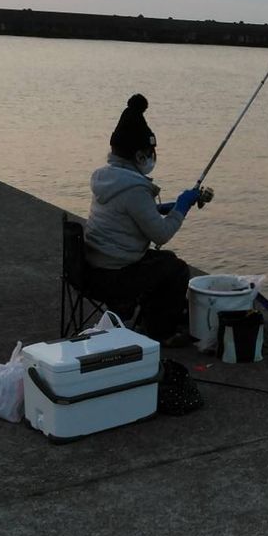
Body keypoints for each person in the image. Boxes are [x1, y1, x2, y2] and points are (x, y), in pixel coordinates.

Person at [84, 93, 204, 347]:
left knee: (165, 262)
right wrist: (181, 205)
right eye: (150, 153)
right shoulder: (134, 189)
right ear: (139, 156)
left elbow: (125, 215)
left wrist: (164, 208)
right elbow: (161, 235)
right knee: (176, 269)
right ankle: (161, 333)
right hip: (116, 273)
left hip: (93, 265)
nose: (151, 158)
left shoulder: (107, 177)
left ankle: (150, 319)